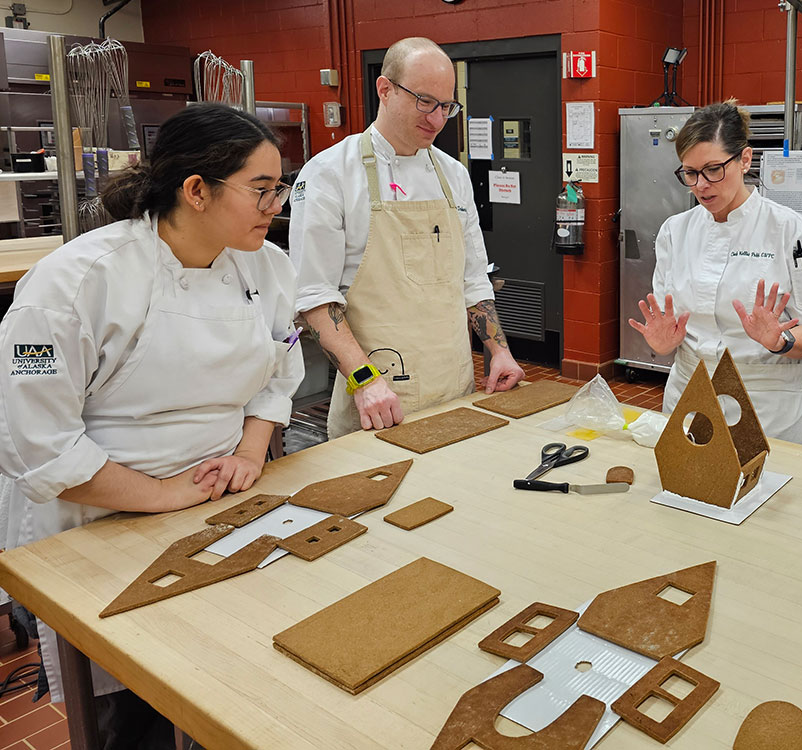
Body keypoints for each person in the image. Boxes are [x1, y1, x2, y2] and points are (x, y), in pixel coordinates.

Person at [0, 103, 304, 745]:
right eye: (261, 188)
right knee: (130, 711)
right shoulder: (70, 284)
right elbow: (38, 444)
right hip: (99, 524)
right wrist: (164, 493)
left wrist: (250, 453)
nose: (275, 203)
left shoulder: (267, 267)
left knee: (226, 682)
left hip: (222, 506)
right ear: (196, 191)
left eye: (280, 187)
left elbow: (282, 367)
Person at [289, 37, 523, 439]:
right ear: (385, 89)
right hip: (379, 400)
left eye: (446, 107)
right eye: (424, 101)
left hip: (455, 389)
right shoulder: (330, 174)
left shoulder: (453, 174)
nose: (437, 119)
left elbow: (472, 278)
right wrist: (364, 380)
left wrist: (499, 350)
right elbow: (314, 298)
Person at [629, 101, 802, 442]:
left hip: (763, 402)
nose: (701, 186)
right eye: (690, 173)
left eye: (713, 169)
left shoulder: (790, 230)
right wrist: (665, 344)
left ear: (744, 159)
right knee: (683, 488)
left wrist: (781, 340)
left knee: (762, 490)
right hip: (689, 391)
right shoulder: (674, 231)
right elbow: (671, 324)